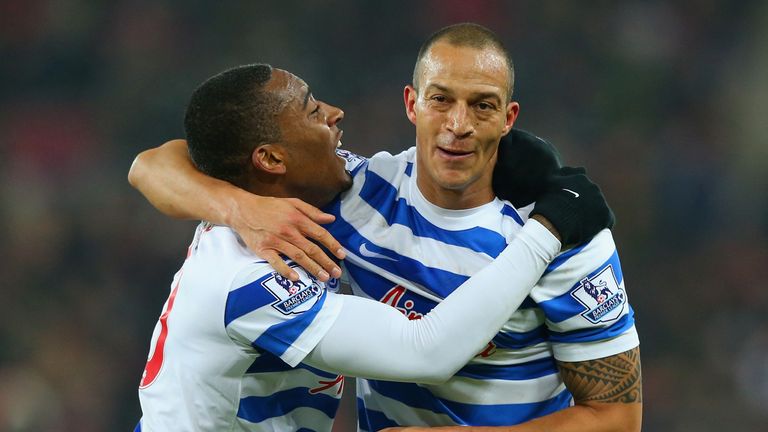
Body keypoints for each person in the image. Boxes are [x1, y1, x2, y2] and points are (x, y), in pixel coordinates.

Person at [129, 23, 641, 431]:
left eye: (481, 105)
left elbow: (617, 419)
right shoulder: (352, 196)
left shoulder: (573, 239)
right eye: (440, 98)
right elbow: (156, 161)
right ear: (411, 104)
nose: (458, 123)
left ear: (508, 118)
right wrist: (239, 208)